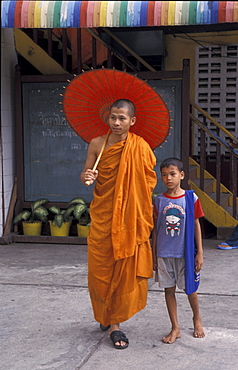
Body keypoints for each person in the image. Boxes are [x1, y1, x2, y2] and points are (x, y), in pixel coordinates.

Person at [80, 99, 157, 349]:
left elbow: (148, 182)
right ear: (107, 118)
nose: (116, 122)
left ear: (131, 121)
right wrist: (88, 175)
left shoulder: (140, 147)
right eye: (113, 117)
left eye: (122, 118)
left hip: (127, 220)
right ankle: (105, 313)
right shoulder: (96, 144)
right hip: (103, 218)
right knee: (100, 270)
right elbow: (85, 174)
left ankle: (115, 324)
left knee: (122, 268)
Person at [152, 157, 205, 344]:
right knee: (169, 291)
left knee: (190, 289)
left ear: (181, 175)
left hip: (186, 254)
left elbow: (197, 225)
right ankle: (175, 327)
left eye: (172, 174)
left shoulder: (191, 198)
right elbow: (156, 230)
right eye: (164, 175)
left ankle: (196, 319)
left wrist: (199, 253)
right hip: (164, 254)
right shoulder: (158, 200)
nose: (168, 178)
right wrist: (153, 255)